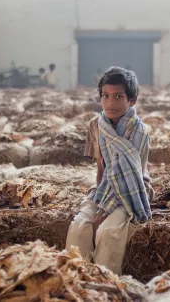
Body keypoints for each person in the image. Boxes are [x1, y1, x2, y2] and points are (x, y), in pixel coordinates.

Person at [65, 66, 154, 275]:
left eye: (118, 97)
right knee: (79, 227)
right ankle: (78, 280)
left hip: (133, 189)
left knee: (107, 231)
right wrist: (98, 200)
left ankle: (105, 284)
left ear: (132, 100)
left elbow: (133, 175)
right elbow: (101, 168)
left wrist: (105, 213)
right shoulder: (96, 125)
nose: (110, 103)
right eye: (105, 96)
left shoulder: (139, 130)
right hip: (105, 186)